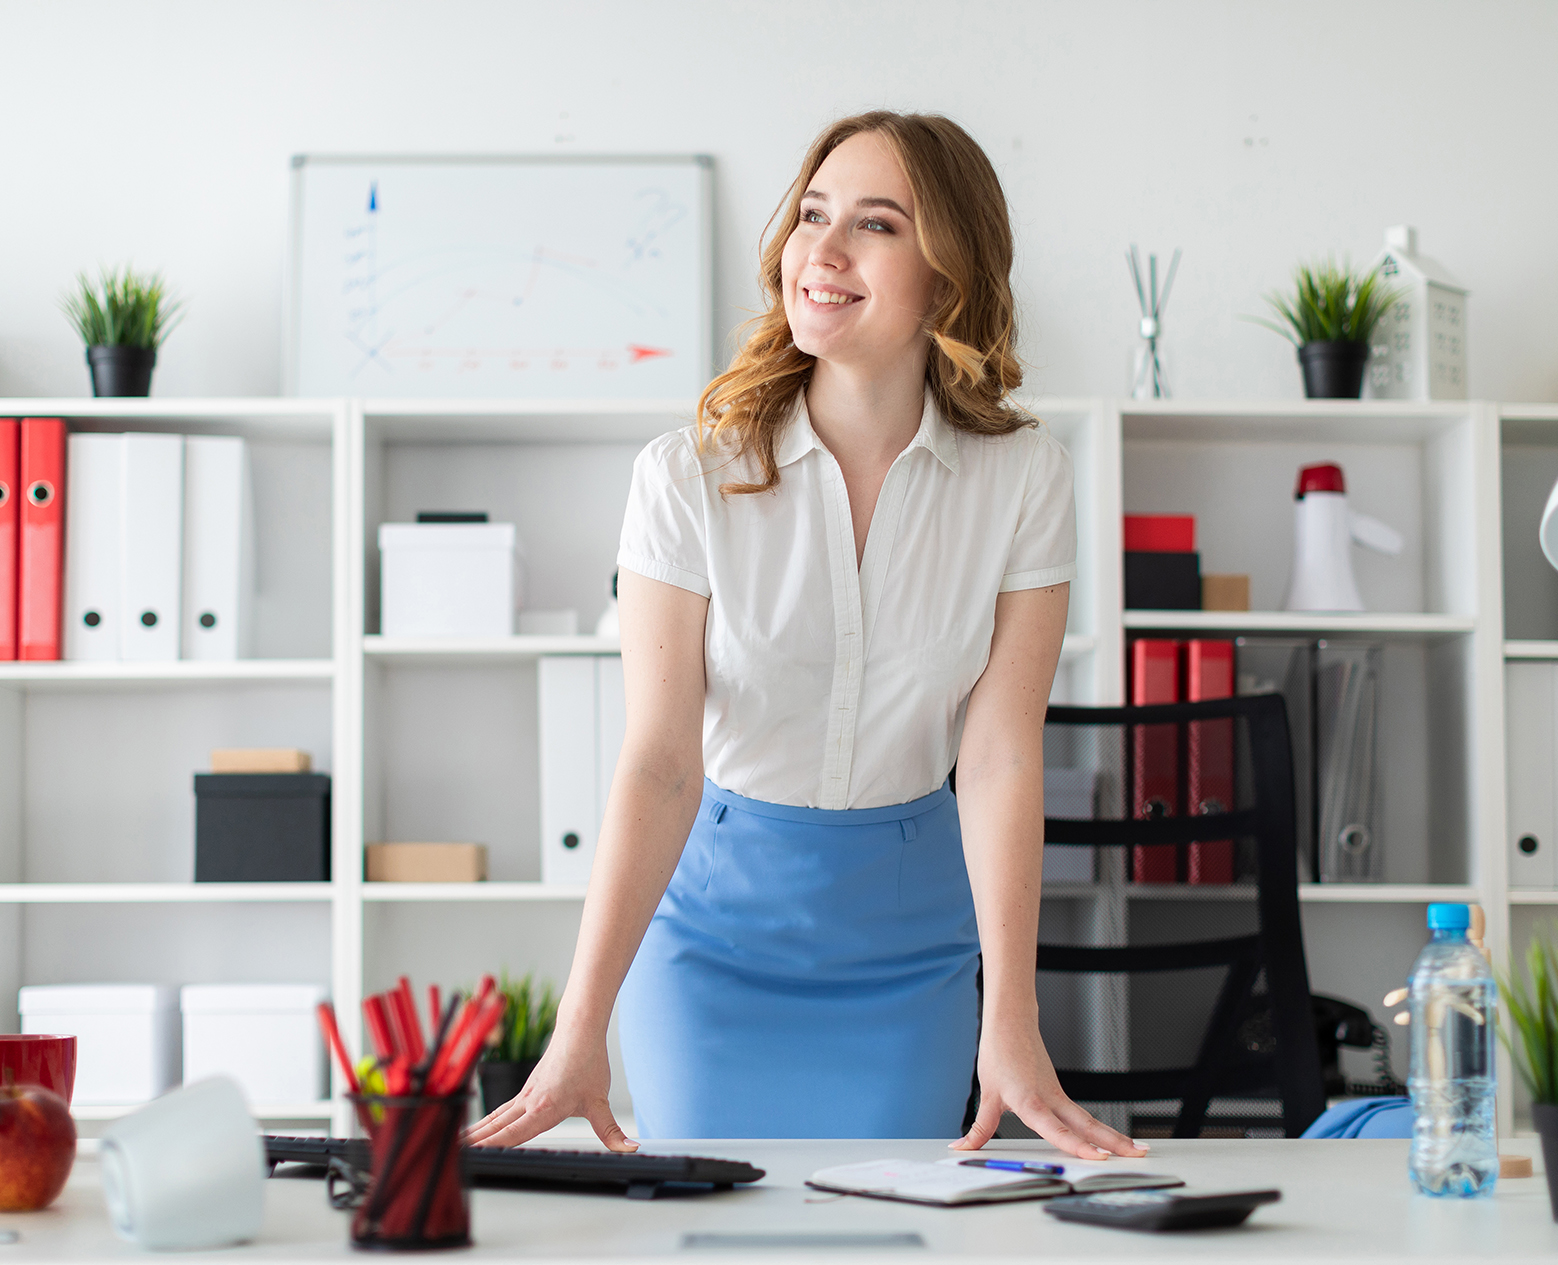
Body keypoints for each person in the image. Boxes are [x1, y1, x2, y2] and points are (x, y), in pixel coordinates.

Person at [468, 111, 1144, 1160]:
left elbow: (1004, 753)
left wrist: (1012, 1014)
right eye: (811, 215)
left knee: (886, 1237)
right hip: (711, 942)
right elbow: (656, 762)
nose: (819, 251)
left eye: (873, 223)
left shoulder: (1023, 477)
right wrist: (577, 1029)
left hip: (910, 947)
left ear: (949, 271)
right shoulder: (687, 474)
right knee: (716, 1236)